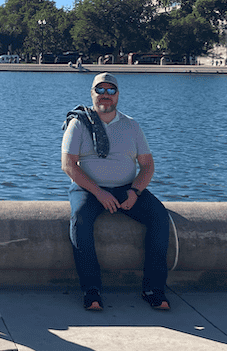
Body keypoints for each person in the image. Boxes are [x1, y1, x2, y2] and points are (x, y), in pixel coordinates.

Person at [61, 72, 170, 311]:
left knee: (160, 217)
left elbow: (148, 165)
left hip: (126, 189)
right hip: (88, 189)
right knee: (79, 219)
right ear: (92, 94)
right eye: (100, 90)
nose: (105, 96)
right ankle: (92, 290)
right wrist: (99, 193)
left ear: (118, 95)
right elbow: (68, 165)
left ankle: (153, 289)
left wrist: (135, 192)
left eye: (111, 91)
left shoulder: (131, 125)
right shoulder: (79, 123)